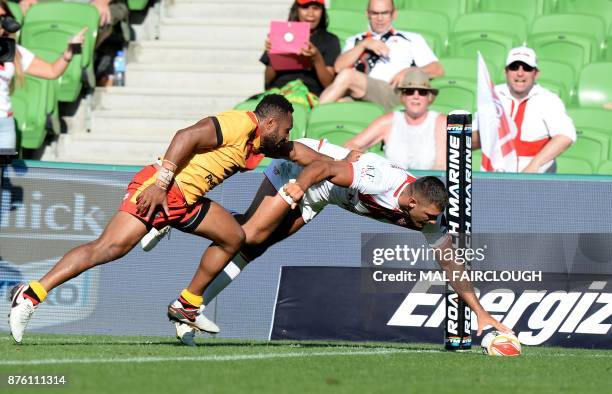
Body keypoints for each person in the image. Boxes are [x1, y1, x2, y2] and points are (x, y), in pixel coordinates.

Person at [8, 95, 335, 343]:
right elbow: (185, 136)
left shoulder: (261, 143)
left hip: (187, 201)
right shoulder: (239, 124)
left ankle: (187, 305)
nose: (287, 135)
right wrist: (161, 184)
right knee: (109, 248)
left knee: (234, 237)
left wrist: (341, 163)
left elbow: (298, 153)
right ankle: (31, 294)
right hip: (162, 190)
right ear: (271, 123)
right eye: (286, 129)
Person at [141, 138, 512, 345]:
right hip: (302, 170)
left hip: (324, 196)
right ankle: (174, 215)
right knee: (251, 235)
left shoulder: (425, 212)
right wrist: (296, 188)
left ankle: (188, 302)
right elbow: (324, 167)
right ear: (413, 201)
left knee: (253, 243)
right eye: (430, 216)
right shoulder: (378, 179)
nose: (433, 223)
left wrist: (479, 313)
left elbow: (450, 263)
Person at [318, 0, 444, 111]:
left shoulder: (411, 39)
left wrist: (410, 71)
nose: (379, 18)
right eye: (375, 13)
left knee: (348, 76)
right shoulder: (356, 40)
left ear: (394, 14)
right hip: (357, 92)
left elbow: (437, 69)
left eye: (384, 13)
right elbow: (339, 67)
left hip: (392, 92)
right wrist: (363, 45)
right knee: (337, 105)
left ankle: (313, 114)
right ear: (367, 14)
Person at [0, 1, 85, 157]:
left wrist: (68, 54)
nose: (3, 21)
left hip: (4, 122)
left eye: (4, 17)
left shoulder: (14, 51)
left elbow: (51, 71)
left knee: (3, 174)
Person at [473, 46, 576, 173]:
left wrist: (534, 166)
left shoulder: (548, 100)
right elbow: (477, 137)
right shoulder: (493, 96)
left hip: (535, 183)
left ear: (536, 73)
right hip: (496, 180)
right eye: (514, 67)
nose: (520, 73)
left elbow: (566, 136)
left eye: (526, 68)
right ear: (506, 72)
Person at [344, 68, 447, 170]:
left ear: (429, 97)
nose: (416, 96)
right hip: (393, 184)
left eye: (422, 92)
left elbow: (441, 166)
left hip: (429, 183)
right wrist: (368, 163)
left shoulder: (441, 122)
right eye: (410, 91)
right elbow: (350, 145)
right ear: (402, 96)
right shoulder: (388, 121)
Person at [261, 0, 340, 96]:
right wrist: (275, 55)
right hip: (279, 92)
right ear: (296, 9)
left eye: (316, 8)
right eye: (305, 7)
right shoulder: (282, 34)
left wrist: (316, 58)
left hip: (310, 94)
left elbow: (329, 85)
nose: (310, 13)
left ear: (322, 11)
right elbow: (267, 81)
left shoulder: (330, 40)